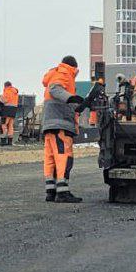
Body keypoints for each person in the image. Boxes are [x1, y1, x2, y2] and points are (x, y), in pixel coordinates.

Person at [42, 55, 83, 203]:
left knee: (51, 157)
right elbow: (55, 89)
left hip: (50, 124)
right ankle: (62, 192)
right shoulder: (65, 73)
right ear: (74, 66)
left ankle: (51, 191)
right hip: (61, 124)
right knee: (64, 156)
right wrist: (71, 98)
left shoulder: (54, 73)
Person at [0, 81, 20, 146]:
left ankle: (3, 141)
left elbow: (4, 100)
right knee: (10, 125)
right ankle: (10, 141)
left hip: (6, 110)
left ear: (5, 86)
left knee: (4, 124)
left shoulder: (7, 91)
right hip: (13, 111)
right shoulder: (15, 92)